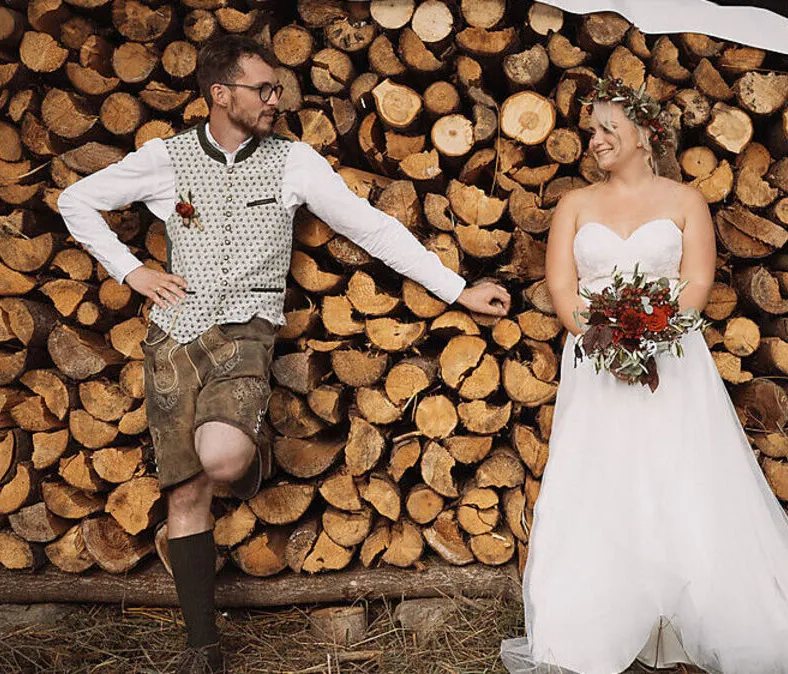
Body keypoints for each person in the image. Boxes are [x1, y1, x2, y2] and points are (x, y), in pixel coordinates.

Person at [58, 35, 510, 674]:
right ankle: (203, 648)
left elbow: (371, 226)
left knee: (221, 459)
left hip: (246, 333)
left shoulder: (295, 162)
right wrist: (131, 271)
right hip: (173, 338)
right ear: (221, 94)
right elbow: (74, 200)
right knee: (184, 495)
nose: (276, 99)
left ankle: (249, 454)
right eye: (263, 89)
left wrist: (456, 289)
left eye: (277, 88)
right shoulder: (166, 158)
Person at [499, 78, 788, 674]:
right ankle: (601, 621)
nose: (595, 139)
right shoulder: (575, 204)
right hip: (596, 365)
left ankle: (696, 613)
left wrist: (650, 336)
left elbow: (698, 283)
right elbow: (562, 288)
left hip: (672, 361)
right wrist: (606, 339)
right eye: (592, 129)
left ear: (643, 133)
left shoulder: (685, 201)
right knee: (601, 478)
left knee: (681, 475)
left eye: (607, 128)